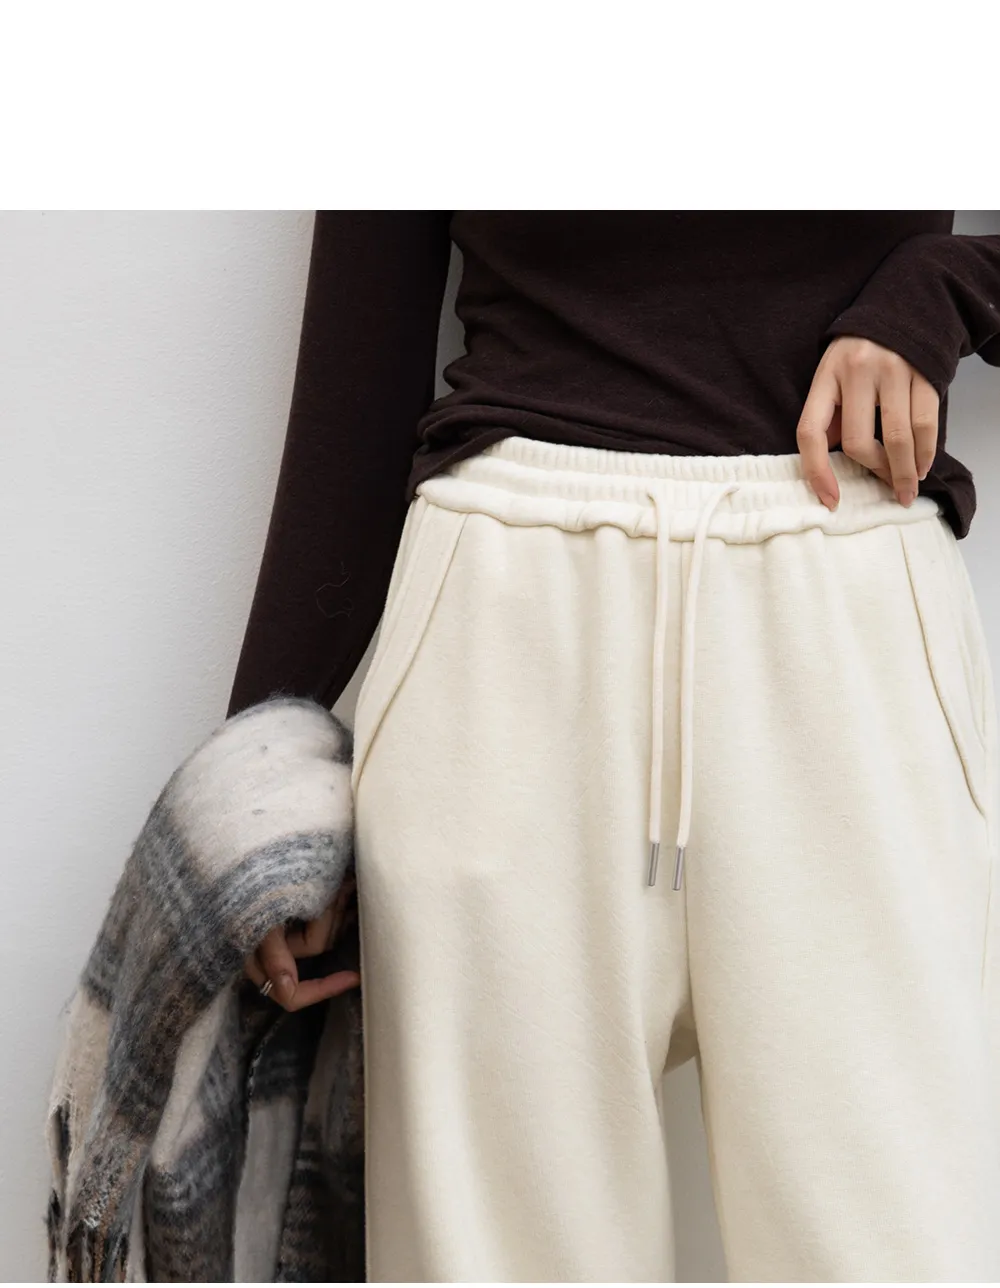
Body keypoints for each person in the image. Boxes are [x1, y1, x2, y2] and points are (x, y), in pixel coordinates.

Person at [233, 212, 1000, 1281]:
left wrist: (949, 286)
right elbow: (358, 372)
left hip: (842, 607)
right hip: (504, 637)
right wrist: (258, 789)